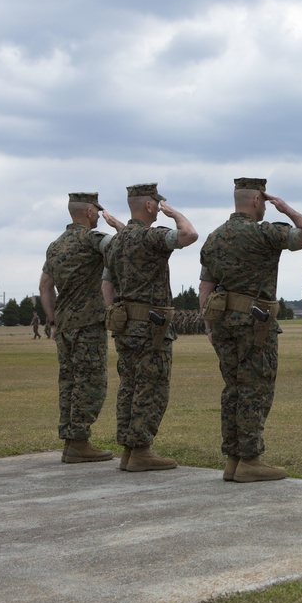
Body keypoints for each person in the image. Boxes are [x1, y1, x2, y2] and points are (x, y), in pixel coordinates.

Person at [200, 177, 302, 483]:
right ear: (258, 201)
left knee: (233, 389)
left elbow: (205, 286)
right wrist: (287, 209)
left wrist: (208, 324)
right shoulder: (264, 233)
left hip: (222, 324)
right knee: (255, 389)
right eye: (266, 202)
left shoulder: (214, 238)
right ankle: (251, 460)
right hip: (255, 325)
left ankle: (233, 459)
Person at [102, 183, 197, 472]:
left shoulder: (116, 241)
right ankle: (142, 450)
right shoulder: (150, 237)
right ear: (149, 206)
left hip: (125, 324)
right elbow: (189, 235)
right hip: (151, 326)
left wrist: (114, 311)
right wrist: (174, 213)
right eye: (157, 203)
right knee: (152, 386)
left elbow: (106, 283)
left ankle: (130, 450)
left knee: (129, 385)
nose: (159, 207)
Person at [40, 192, 123, 463]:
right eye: (97, 212)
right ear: (89, 212)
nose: (99, 216)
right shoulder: (92, 239)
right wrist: (118, 226)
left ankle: (70, 440)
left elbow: (45, 285)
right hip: (88, 323)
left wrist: (52, 321)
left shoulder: (55, 245)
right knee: (91, 382)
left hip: (64, 324)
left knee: (69, 381)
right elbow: (126, 247)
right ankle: (79, 442)